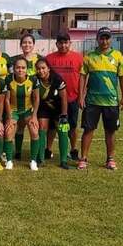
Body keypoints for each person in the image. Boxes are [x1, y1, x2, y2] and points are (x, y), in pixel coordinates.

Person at [78, 27, 123, 170]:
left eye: (107, 38)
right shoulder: (89, 56)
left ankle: (110, 159)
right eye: (102, 38)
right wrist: (81, 96)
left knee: (110, 131)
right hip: (92, 101)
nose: (104, 41)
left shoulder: (118, 56)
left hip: (111, 101)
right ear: (97, 39)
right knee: (88, 130)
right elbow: (82, 76)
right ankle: (83, 158)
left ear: (110, 39)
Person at [45, 32, 82, 161]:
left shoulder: (78, 58)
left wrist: (82, 96)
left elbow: (84, 77)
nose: (63, 45)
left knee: (71, 126)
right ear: (56, 44)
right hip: (53, 100)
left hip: (72, 98)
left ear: (70, 43)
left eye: (66, 42)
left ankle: (73, 149)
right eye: (60, 43)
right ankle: (48, 149)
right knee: (51, 127)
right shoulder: (49, 59)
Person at [9, 34, 44, 161]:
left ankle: (39, 155)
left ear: (33, 44)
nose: (27, 45)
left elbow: (45, 75)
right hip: (18, 99)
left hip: (36, 98)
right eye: (24, 42)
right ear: (20, 45)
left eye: (30, 42)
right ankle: (17, 152)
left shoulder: (40, 59)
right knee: (20, 125)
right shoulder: (15, 60)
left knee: (37, 125)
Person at [3, 57, 40, 171]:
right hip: (14, 111)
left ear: (27, 69)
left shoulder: (33, 79)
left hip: (27, 111)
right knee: (9, 132)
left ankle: (33, 161)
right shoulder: (9, 79)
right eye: (18, 67)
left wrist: (34, 116)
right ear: (14, 69)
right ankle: (9, 160)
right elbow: (7, 100)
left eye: (23, 68)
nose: (20, 70)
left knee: (34, 131)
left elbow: (36, 98)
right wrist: (9, 117)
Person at [34, 58, 70, 169]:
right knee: (42, 128)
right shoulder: (35, 80)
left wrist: (64, 115)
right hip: (43, 108)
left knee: (62, 129)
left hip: (58, 108)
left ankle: (63, 160)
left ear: (48, 68)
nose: (41, 71)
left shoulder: (57, 79)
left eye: (43, 68)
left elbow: (64, 98)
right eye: (38, 69)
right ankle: (40, 159)